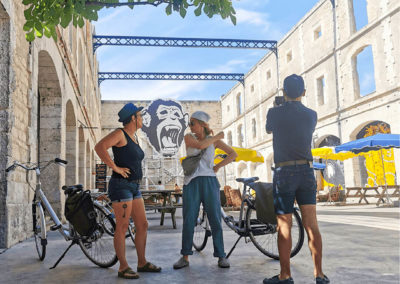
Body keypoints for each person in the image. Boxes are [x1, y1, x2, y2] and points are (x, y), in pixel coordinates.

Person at [264, 74, 329, 284]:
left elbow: (269, 129)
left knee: (284, 226)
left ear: (283, 92)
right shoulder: (312, 114)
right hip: (306, 171)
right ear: (304, 92)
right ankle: (319, 274)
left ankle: (285, 275)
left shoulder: (274, 112)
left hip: (284, 173)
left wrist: (277, 105)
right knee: (312, 225)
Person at [95, 103, 161, 279]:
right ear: (133, 118)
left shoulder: (134, 137)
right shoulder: (120, 134)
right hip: (121, 186)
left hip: (134, 186)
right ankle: (123, 267)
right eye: (140, 116)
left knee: (142, 225)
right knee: (123, 226)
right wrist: (115, 168)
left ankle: (142, 262)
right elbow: (99, 147)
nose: (142, 119)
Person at [173, 111, 238, 269]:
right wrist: (217, 136)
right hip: (192, 182)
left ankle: (221, 255)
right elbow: (202, 145)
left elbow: (233, 154)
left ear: (201, 124)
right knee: (189, 219)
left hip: (209, 181)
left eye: (192, 123)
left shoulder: (214, 142)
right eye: (190, 123)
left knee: (215, 219)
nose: (190, 126)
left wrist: (217, 167)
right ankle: (185, 256)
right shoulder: (189, 137)